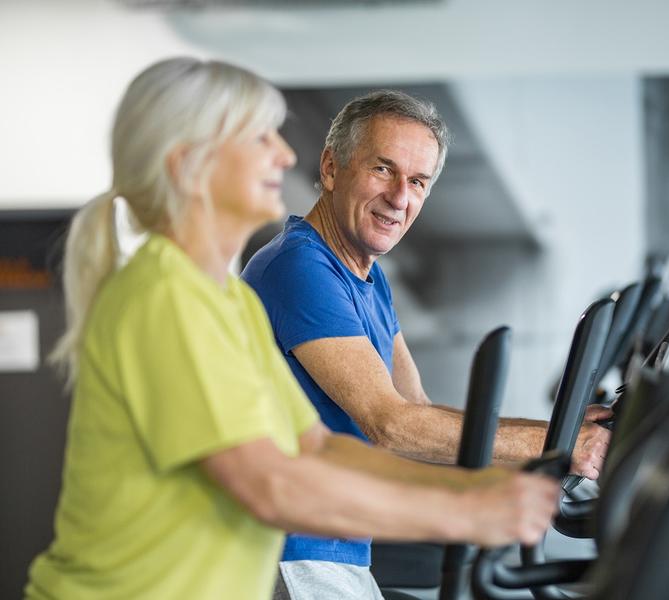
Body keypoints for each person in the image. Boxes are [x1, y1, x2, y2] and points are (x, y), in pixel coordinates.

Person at [24, 59, 561, 600]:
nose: (283, 154)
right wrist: (465, 510)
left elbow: (318, 448)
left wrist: (487, 487)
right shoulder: (167, 295)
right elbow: (269, 483)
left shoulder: (225, 297)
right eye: (259, 138)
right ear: (190, 161)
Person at [241, 90, 612, 598]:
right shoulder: (300, 267)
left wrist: (562, 433)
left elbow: (416, 411)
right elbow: (389, 423)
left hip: (335, 548)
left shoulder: (368, 277)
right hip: (290, 551)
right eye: (382, 170)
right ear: (331, 168)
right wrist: (560, 444)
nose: (400, 197)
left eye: (417, 181)